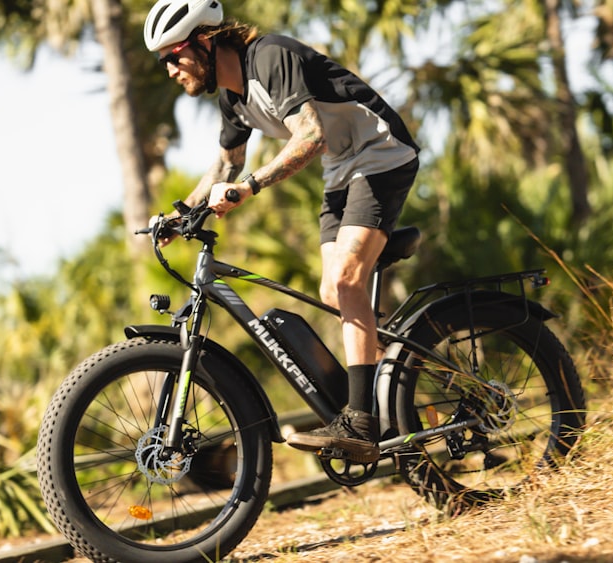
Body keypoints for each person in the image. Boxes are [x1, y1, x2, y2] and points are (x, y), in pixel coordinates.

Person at [144, 0, 420, 463]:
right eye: (164, 61)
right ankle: (410, 368)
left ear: (205, 42)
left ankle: (361, 424)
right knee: (334, 293)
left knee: (348, 278)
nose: (171, 69)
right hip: (342, 172)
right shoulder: (231, 98)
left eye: (174, 56)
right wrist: (177, 216)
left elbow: (310, 136)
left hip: (380, 152)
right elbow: (225, 165)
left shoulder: (269, 57)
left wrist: (248, 188)